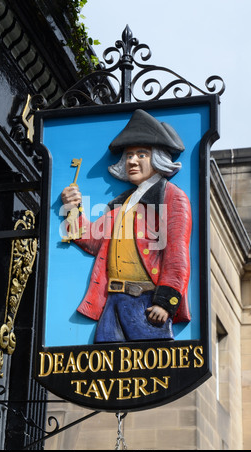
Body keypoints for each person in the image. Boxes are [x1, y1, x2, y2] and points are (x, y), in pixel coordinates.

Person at [61, 109, 192, 343]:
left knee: (154, 372)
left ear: (158, 158)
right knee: (103, 371)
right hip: (112, 302)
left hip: (147, 303)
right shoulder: (123, 202)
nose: (132, 160)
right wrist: (72, 209)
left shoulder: (172, 196)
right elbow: (92, 240)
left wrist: (165, 303)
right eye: (129, 155)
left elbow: (176, 255)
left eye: (141, 154)